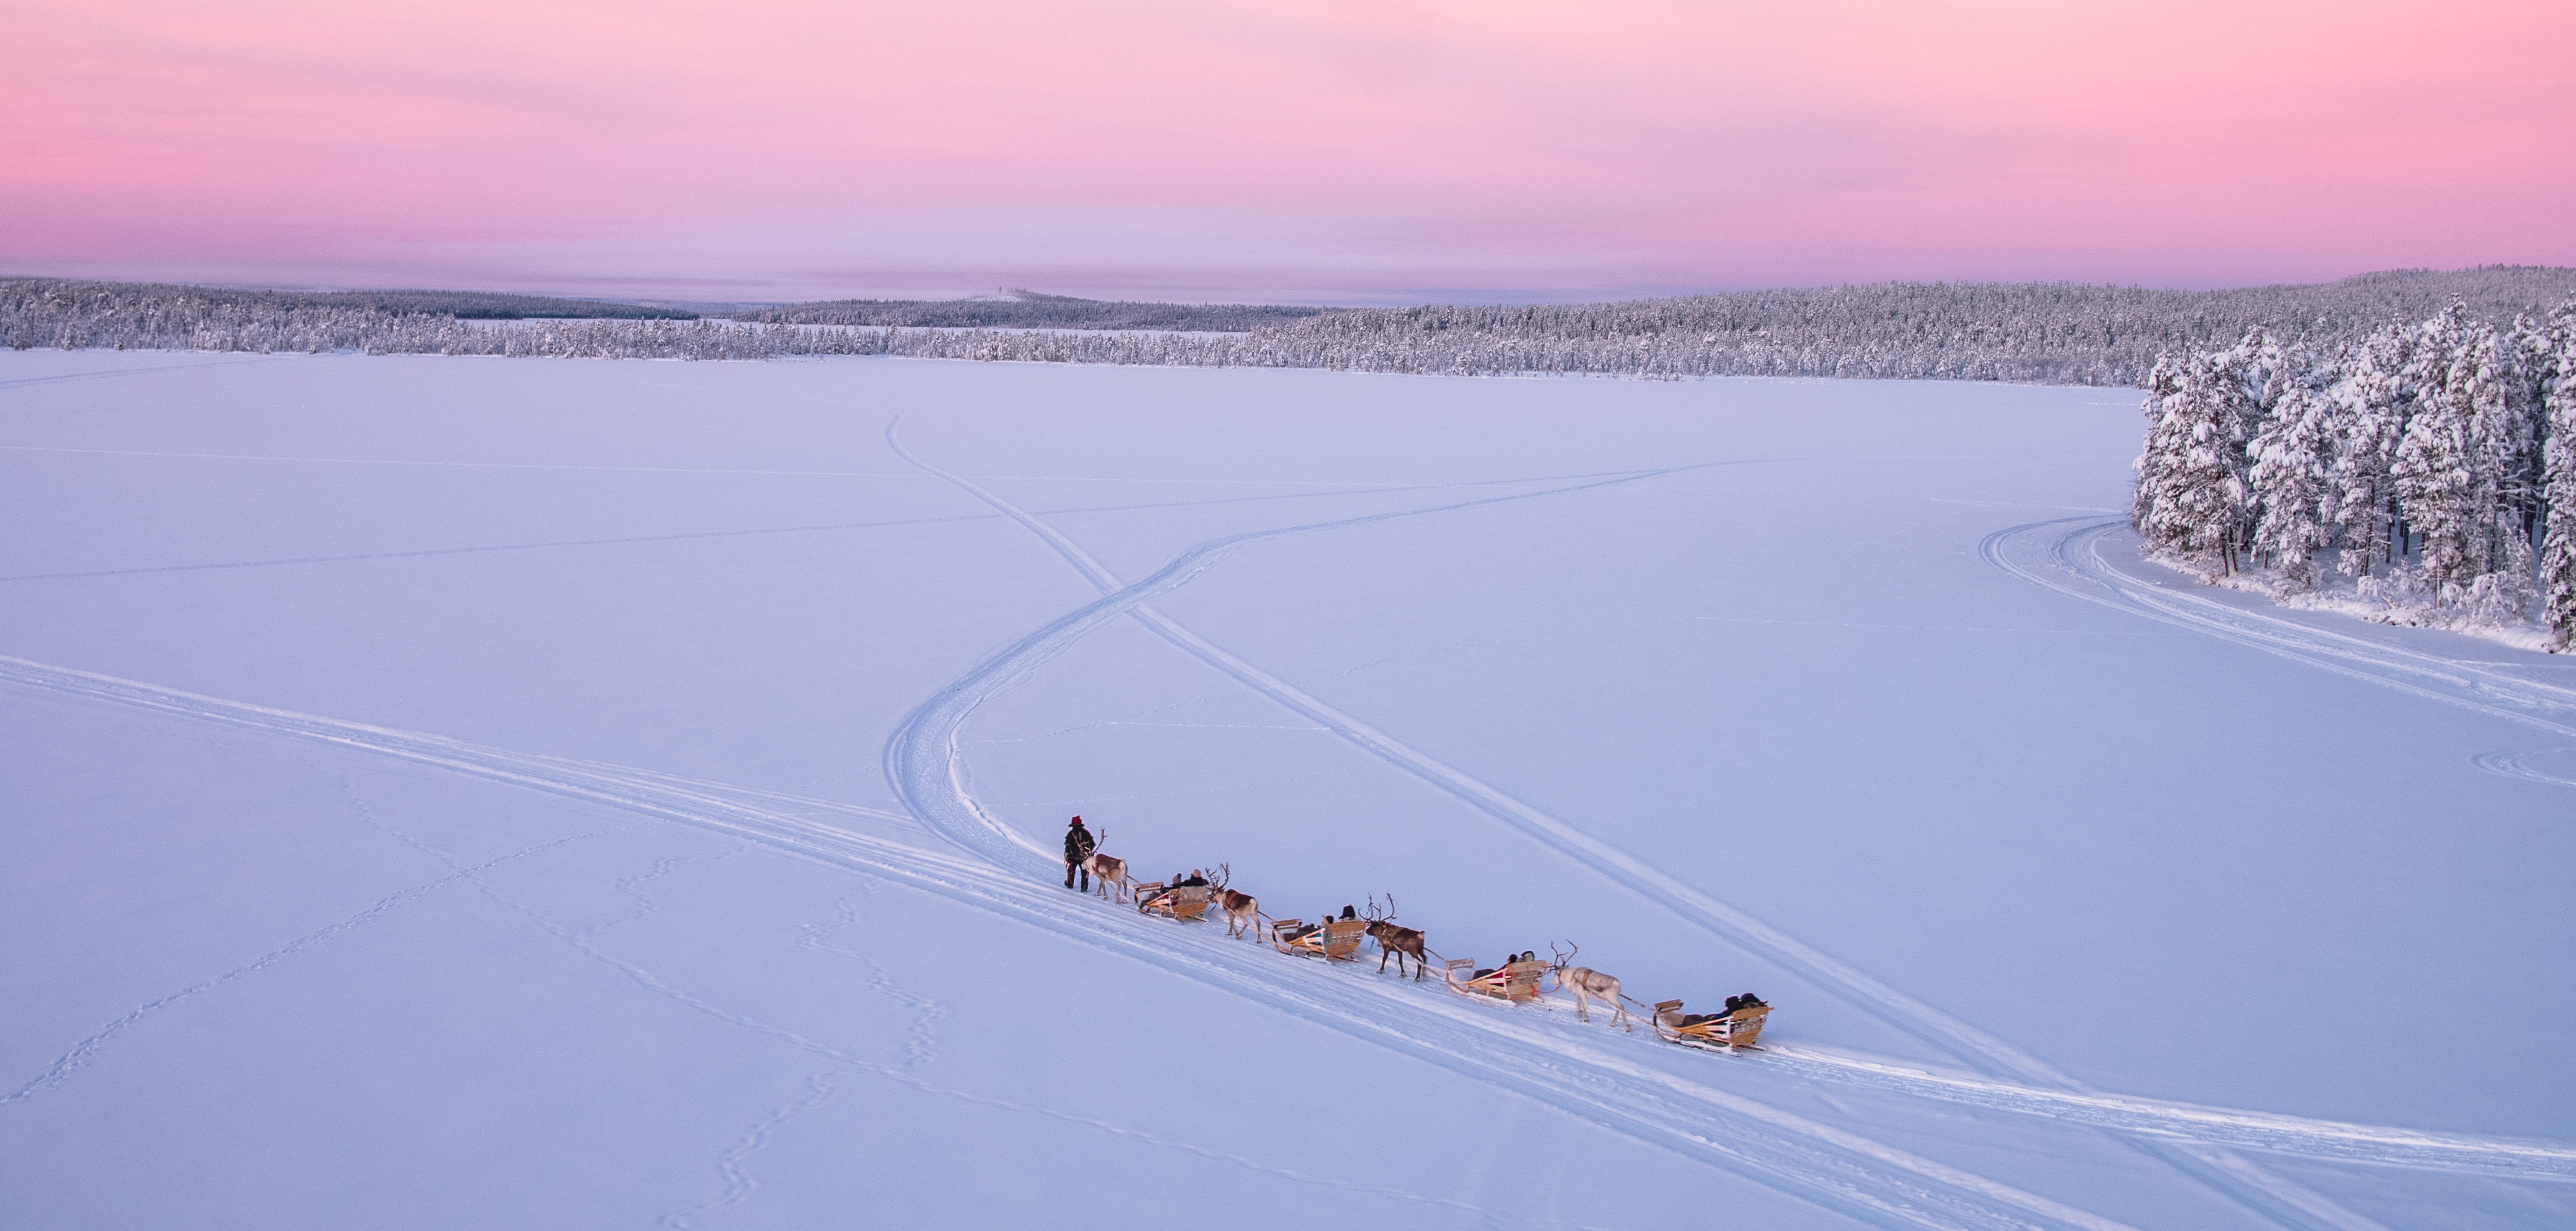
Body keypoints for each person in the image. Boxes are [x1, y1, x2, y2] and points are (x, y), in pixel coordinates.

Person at [1063, 816, 1097, 891]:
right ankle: (1084, 888)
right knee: (1085, 872)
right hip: (1085, 858)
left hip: (1073, 857)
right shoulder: (1086, 833)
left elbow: (1068, 846)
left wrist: (1067, 856)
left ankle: (1070, 885)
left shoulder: (1070, 834)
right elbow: (1092, 844)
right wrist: (1089, 853)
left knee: (1071, 871)